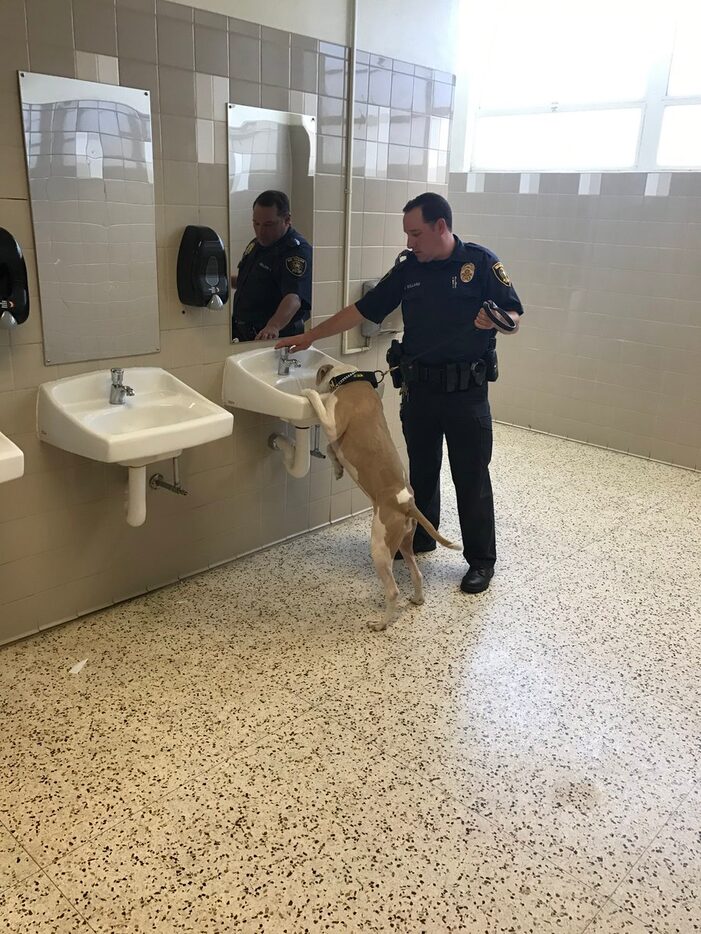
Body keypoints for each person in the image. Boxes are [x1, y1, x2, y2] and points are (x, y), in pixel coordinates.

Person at [276, 191, 523, 594]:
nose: (409, 242)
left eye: (416, 233)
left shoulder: (479, 263)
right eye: (407, 234)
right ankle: (422, 536)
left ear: (441, 227)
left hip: (467, 394)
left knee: (471, 476)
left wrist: (497, 321)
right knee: (420, 471)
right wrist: (310, 335)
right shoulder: (409, 269)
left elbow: (514, 314)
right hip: (420, 390)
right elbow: (363, 309)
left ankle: (481, 561)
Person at [231, 190, 312, 342]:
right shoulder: (257, 244)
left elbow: (294, 297)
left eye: (269, 224)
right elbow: (252, 283)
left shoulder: (295, 252)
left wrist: (273, 326)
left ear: (287, 220)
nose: (261, 231)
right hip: (245, 333)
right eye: (256, 223)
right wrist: (223, 281)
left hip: (274, 337)